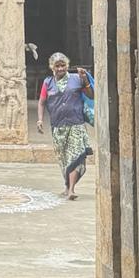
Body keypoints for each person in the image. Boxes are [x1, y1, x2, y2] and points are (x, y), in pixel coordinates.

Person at [35, 51, 94, 199]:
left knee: (75, 155)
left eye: (63, 65)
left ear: (67, 66)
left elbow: (91, 95)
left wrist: (85, 80)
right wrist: (40, 120)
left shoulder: (77, 79)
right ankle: (67, 186)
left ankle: (72, 189)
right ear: (52, 67)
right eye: (57, 66)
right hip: (58, 126)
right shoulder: (48, 83)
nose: (60, 68)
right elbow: (42, 102)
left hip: (76, 124)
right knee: (63, 158)